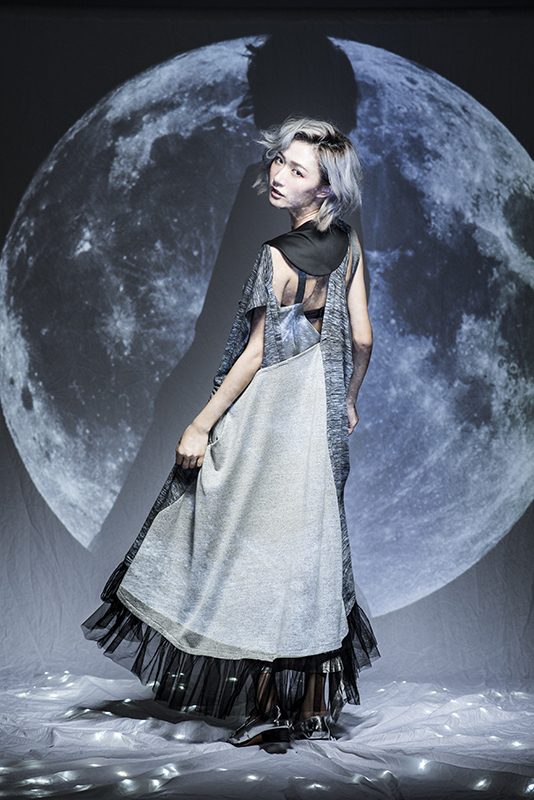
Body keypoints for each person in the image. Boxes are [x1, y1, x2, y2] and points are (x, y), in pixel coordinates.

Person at [82, 117, 379, 751]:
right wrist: (348, 399)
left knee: (249, 549)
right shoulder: (350, 243)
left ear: (325, 188)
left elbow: (255, 353)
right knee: (310, 550)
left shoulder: (276, 255)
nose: (278, 174)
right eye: (279, 161)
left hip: (269, 418)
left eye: (297, 170)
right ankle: (311, 707)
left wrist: (200, 422)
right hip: (319, 416)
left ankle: (269, 709)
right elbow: (362, 337)